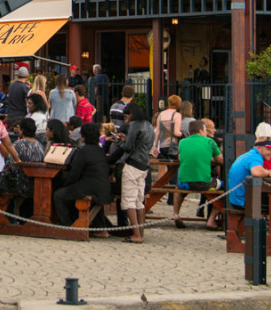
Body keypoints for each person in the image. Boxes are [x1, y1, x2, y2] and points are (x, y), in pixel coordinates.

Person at [107, 103, 156, 241]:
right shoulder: (149, 125)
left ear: (131, 114)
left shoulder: (135, 125)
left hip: (132, 164)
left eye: (126, 116)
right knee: (139, 201)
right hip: (144, 164)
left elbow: (128, 147)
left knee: (128, 200)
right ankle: (140, 231)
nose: (126, 120)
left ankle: (135, 233)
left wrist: (119, 142)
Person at [53, 123, 112, 227]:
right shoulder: (100, 151)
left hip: (90, 188)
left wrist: (65, 184)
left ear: (83, 137)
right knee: (68, 193)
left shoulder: (83, 152)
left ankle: (66, 225)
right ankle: (99, 226)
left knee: (59, 195)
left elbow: (74, 174)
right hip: (104, 188)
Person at [172, 120, 222, 230]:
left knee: (178, 186)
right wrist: (209, 159)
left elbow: (180, 157)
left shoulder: (182, 142)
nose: (205, 132)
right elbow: (221, 161)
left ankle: (176, 213)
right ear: (200, 131)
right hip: (204, 183)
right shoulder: (210, 142)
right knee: (225, 188)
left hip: (185, 183)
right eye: (204, 130)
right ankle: (211, 219)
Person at [226, 135, 271, 211]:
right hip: (243, 201)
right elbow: (257, 172)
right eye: (268, 149)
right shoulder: (255, 157)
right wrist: (269, 172)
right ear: (258, 148)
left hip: (236, 200)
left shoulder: (249, 154)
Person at [154, 95, 183, 159]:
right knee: (174, 166)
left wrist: (155, 146)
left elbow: (158, 132)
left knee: (164, 166)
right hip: (172, 145)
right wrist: (183, 133)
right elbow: (176, 132)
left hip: (162, 145)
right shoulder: (177, 115)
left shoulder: (161, 114)